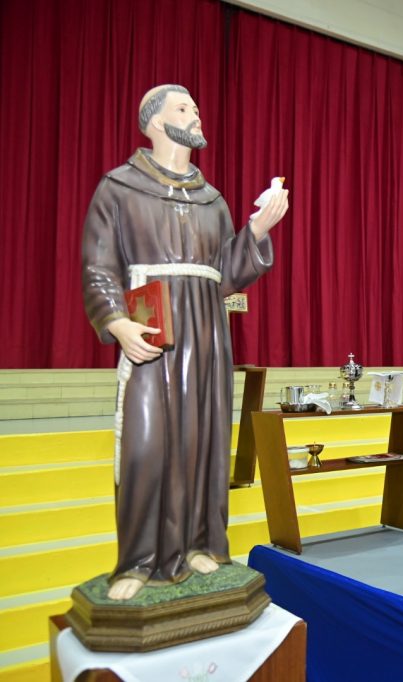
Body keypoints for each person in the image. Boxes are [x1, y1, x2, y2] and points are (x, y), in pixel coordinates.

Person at [81, 84, 289, 600]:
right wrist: (117, 323)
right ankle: (139, 560)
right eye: (182, 108)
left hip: (207, 334)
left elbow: (225, 275)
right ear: (154, 121)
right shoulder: (119, 187)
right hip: (152, 326)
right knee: (146, 444)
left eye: (195, 107)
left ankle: (202, 542)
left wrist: (257, 230)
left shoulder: (211, 199)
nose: (195, 114)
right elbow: (99, 266)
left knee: (205, 439)